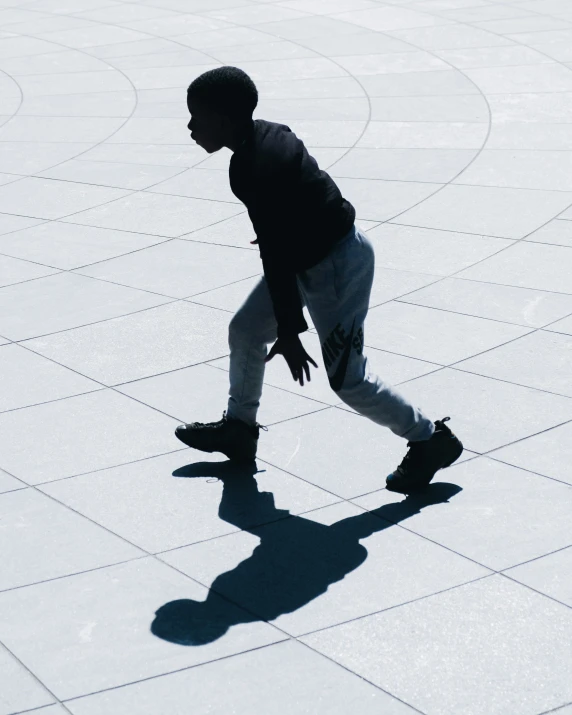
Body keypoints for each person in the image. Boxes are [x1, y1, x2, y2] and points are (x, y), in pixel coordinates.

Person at [175, 66, 463, 493]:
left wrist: (290, 331)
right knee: (246, 329)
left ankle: (429, 439)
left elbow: (276, 253)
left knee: (349, 382)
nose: (190, 127)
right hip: (307, 261)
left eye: (197, 117)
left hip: (339, 267)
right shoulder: (265, 139)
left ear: (226, 119)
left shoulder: (257, 165)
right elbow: (285, 234)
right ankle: (239, 428)